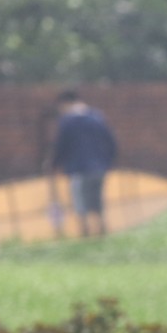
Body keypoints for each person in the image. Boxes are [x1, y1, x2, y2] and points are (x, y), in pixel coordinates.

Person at [47, 90, 118, 236]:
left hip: (78, 167)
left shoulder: (67, 121)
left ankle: (84, 231)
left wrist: (54, 163)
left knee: (80, 201)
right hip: (100, 166)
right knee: (97, 199)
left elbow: (61, 145)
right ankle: (101, 228)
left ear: (65, 103)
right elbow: (111, 141)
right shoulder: (97, 117)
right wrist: (109, 161)